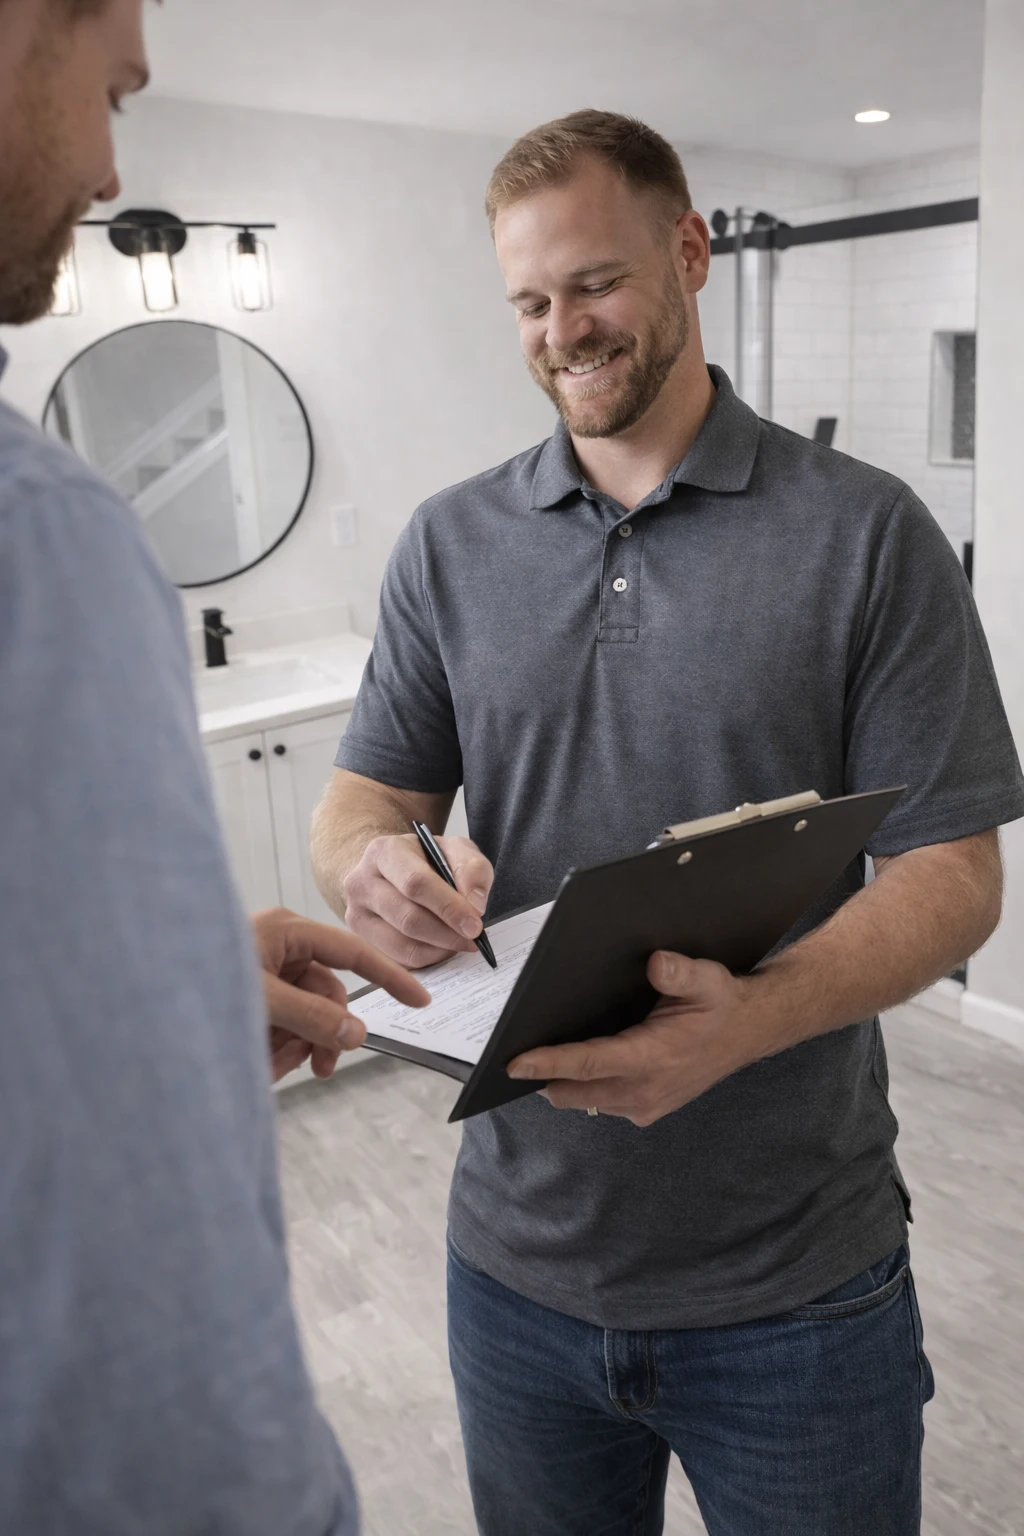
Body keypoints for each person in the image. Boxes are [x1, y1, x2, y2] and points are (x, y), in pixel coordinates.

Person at [310, 110, 1024, 1536]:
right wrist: (369, 861)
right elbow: (369, 791)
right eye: (528, 299)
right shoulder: (449, 544)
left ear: (690, 253)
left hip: (796, 1290)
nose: (561, 329)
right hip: (512, 1269)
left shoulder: (867, 536)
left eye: (595, 283)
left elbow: (951, 874)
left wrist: (747, 1020)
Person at [0, 1, 430, 1529]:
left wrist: (156, 981)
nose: (112, 169)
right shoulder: (39, 539)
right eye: (109, 84)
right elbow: (131, 1293)